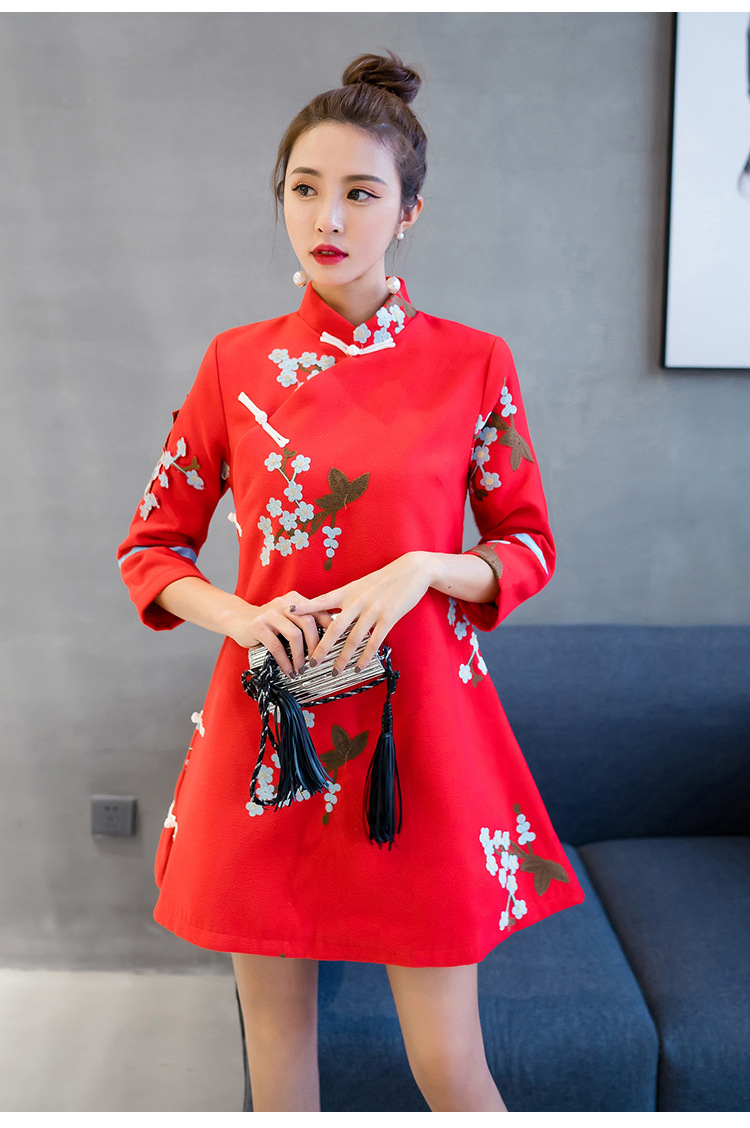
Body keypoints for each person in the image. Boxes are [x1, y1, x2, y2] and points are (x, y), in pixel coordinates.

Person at [117, 50, 586, 1113]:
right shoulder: (234, 364)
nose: (327, 218)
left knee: (450, 1067)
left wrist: (423, 567)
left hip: (413, 746)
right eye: (305, 189)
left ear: (409, 212)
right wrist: (239, 615)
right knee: (279, 1069)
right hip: (271, 737)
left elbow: (527, 544)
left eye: (362, 193)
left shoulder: (472, 364)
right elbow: (151, 548)